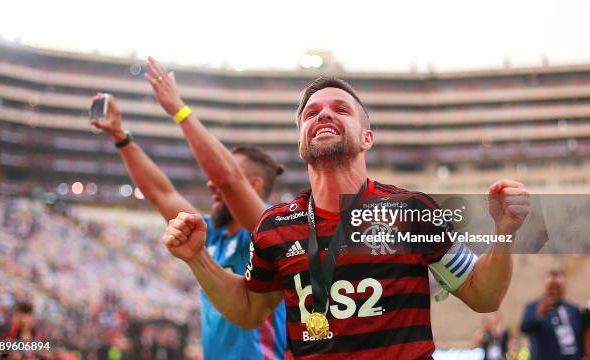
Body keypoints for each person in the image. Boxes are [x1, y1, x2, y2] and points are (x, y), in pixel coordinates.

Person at [162, 76, 531, 359]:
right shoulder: (274, 227)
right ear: (302, 143)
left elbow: (483, 295)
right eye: (311, 113)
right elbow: (247, 310)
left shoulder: (413, 213)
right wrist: (198, 258)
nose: (323, 113)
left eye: (341, 109)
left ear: (367, 137)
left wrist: (505, 232)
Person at [90, 57, 286, 360]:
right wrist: (120, 136)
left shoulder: (271, 229)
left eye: (218, 176)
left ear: (255, 185)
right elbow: (159, 192)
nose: (210, 184)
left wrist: (178, 109)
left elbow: (227, 178)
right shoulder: (211, 233)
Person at [520, 269, 583, 360]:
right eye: (551, 287)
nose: (554, 291)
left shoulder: (573, 309)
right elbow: (524, 328)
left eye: (558, 287)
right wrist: (539, 315)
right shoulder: (533, 307)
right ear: (544, 287)